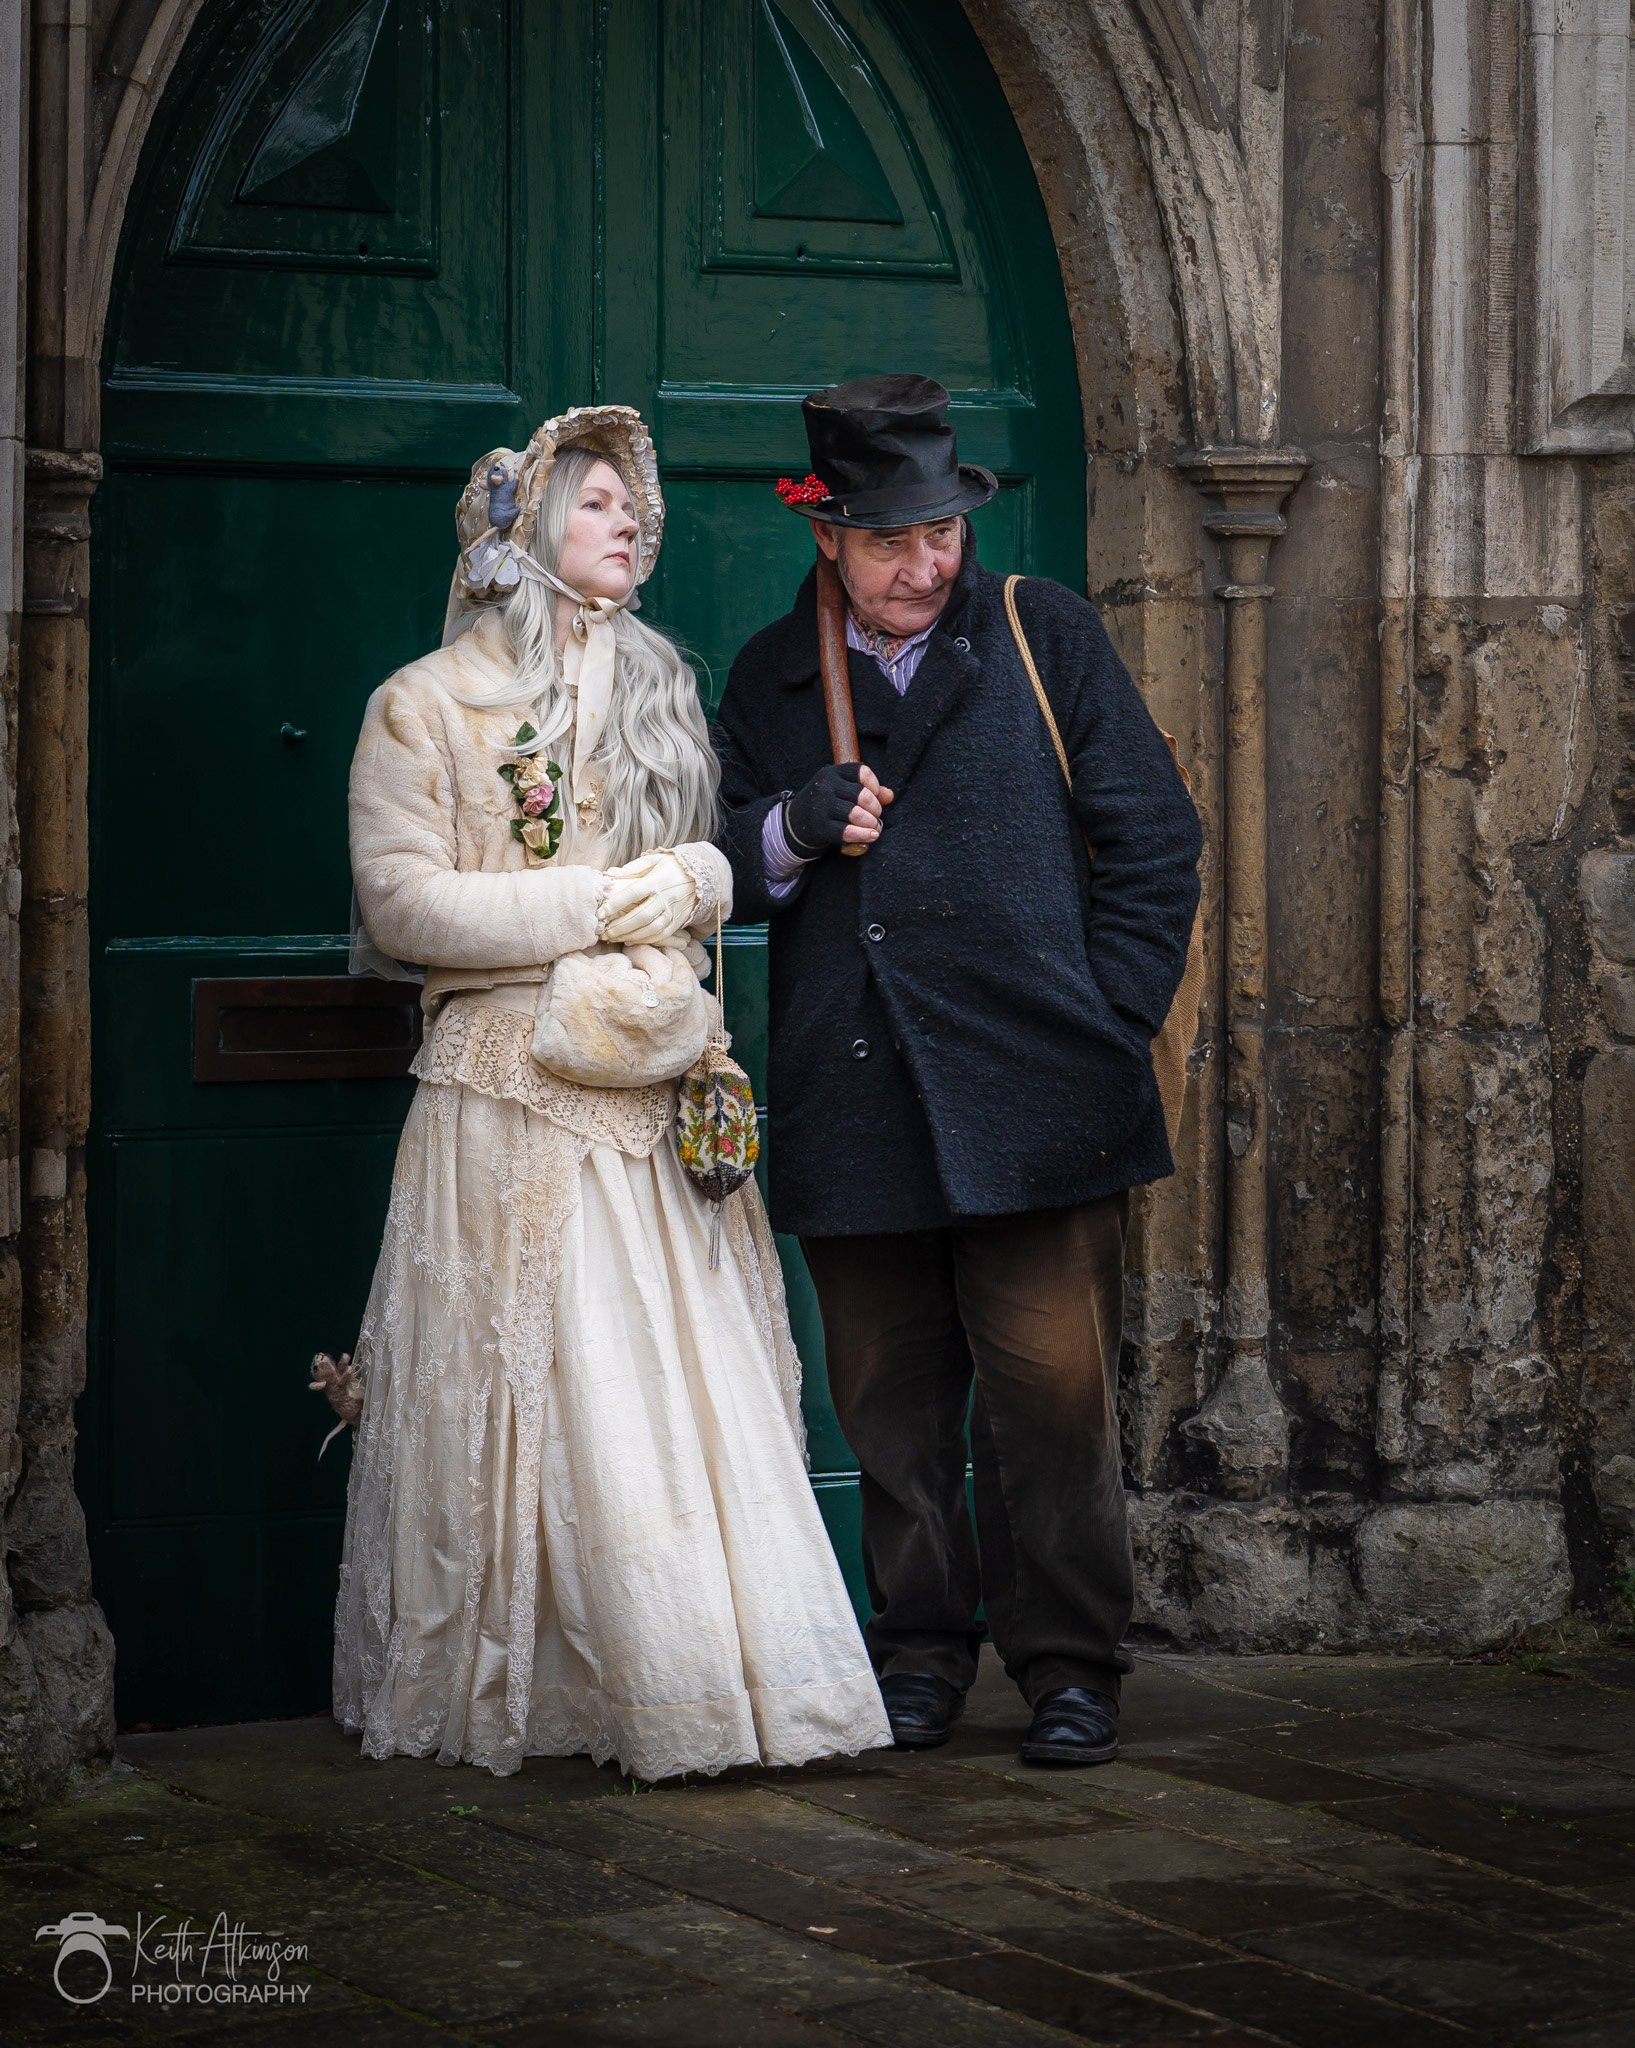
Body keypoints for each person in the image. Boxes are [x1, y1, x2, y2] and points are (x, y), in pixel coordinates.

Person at [322, 405, 891, 1780]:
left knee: (671, 1390)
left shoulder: (660, 691)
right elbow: (402, 904)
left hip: (648, 1089)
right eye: (592, 503)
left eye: (633, 505)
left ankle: (705, 1677)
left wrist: (695, 883)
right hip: (506, 1093)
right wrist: (603, 903)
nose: (629, 520)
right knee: (534, 1385)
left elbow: (705, 876)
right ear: (518, 528)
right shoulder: (423, 703)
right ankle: (558, 1684)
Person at [711, 374, 1202, 1767]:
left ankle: (1069, 1666)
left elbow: (1156, 842)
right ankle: (919, 1652)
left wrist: (1107, 1017)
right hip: (856, 1095)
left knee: (1052, 1402)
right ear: (828, 537)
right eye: (890, 541)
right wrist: (795, 830)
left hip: (1042, 1092)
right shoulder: (767, 677)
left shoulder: (1045, 633)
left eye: (940, 533)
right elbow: (714, 865)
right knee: (890, 1407)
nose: (925, 563)